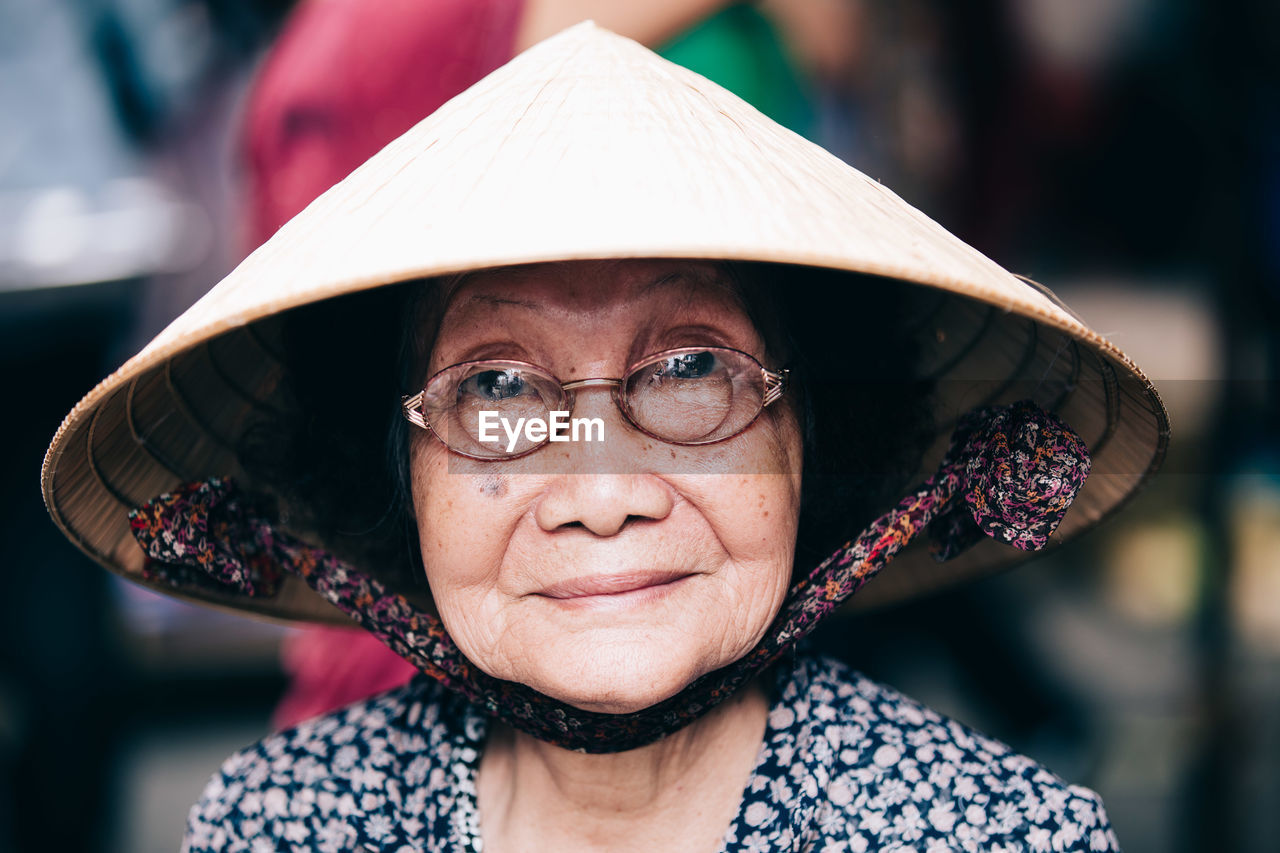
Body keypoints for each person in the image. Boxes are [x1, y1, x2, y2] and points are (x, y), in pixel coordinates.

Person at [41, 22, 1167, 851]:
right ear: (391, 475)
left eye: (687, 372)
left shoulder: (985, 836)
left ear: (815, 435)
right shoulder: (282, 825)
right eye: (495, 390)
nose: (601, 494)